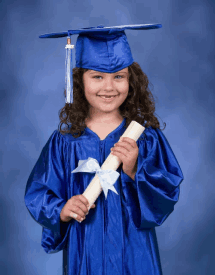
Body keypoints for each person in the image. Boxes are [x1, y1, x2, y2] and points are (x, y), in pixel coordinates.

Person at [24, 24, 184, 275]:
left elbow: (167, 190)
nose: (109, 87)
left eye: (118, 76)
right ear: (79, 80)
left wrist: (134, 168)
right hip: (85, 248)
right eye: (97, 76)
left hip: (135, 249)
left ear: (131, 80)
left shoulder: (144, 137)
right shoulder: (65, 141)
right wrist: (62, 210)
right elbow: (38, 193)